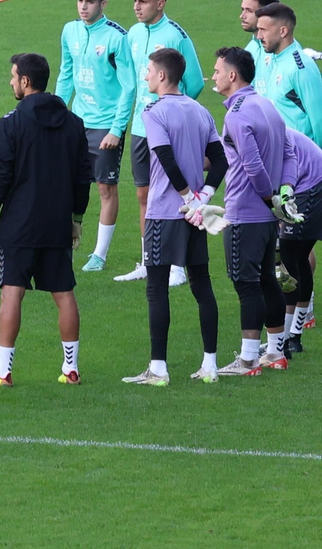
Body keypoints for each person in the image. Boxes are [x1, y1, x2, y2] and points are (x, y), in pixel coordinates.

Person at [0, 53, 90, 387]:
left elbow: (0, 175)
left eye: (13, 76)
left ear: (26, 81)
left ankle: (3, 371)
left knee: (12, 292)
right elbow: (84, 176)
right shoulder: (74, 123)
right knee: (64, 292)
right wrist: (77, 218)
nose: (11, 82)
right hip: (57, 223)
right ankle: (71, 369)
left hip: (20, 224)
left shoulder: (10, 123)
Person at [123, 48, 226, 386]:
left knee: (156, 289)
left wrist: (186, 198)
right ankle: (210, 365)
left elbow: (165, 158)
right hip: (194, 215)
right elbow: (220, 161)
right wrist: (203, 198)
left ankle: (159, 369)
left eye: (149, 71)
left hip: (166, 213)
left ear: (163, 76)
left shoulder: (154, 113)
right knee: (202, 285)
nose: (146, 76)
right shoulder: (200, 111)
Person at [116, 0, 203, 285]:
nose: (137, 6)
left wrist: (177, 114)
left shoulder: (176, 35)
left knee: (174, 192)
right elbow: (130, 81)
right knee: (145, 195)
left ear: (160, 3)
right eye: (134, 1)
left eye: (143, 1)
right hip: (141, 127)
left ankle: (178, 266)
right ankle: (148, 260)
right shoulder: (134, 34)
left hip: (168, 130)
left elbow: (195, 82)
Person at [209, 47, 289, 375]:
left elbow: (253, 164)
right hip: (268, 214)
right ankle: (275, 353)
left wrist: (268, 197)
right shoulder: (266, 104)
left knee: (246, 284)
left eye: (216, 70)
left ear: (232, 75)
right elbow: (286, 151)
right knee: (267, 279)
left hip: (247, 211)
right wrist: (278, 199)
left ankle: (248, 359)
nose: (213, 75)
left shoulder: (238, 114)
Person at [53, 0, 135, 274]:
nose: (83, 7)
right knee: (65, 184)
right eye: (79, 1)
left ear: (103, 4)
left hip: (105, 126)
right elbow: (66, 74)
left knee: (105, 188)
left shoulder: (117, 38)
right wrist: (56, 112)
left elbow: (129, 87)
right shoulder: (69, 31)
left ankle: (99, 254)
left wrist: (116, 128)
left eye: (89, 2)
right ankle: (65, 241)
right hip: (75, 121)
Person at [278, 126, 322, 352]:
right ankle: (292, 337)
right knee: (298, 257)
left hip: (310, 183)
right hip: (307, 180)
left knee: (288, 260)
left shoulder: (239, 139)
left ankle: (286, 340)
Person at [254, 3, 322, 144]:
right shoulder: (276, 61)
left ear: (283, 31)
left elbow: (319, 121)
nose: (259, 36)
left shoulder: (300, 68)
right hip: (285, 157)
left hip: (303, 160)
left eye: (263, 30)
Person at [240, 0, 280, 92]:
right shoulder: (249, 49)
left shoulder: (281, 49)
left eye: (249, 11)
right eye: (242, 10)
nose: (242, 16)